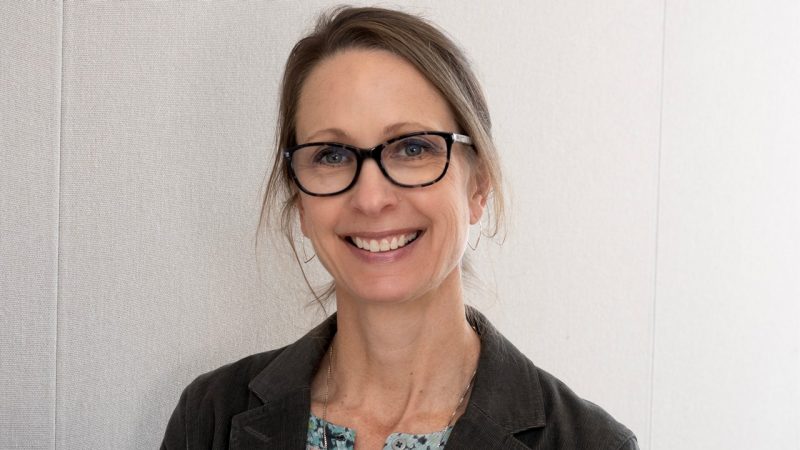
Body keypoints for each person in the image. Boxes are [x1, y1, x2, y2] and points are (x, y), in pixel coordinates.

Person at [162, 6, 638, 450]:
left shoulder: (590, 443)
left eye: (412, 149)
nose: (371, 199)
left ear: (478, 186)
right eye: (332, 154)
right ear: (301, 203)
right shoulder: (210, 418)